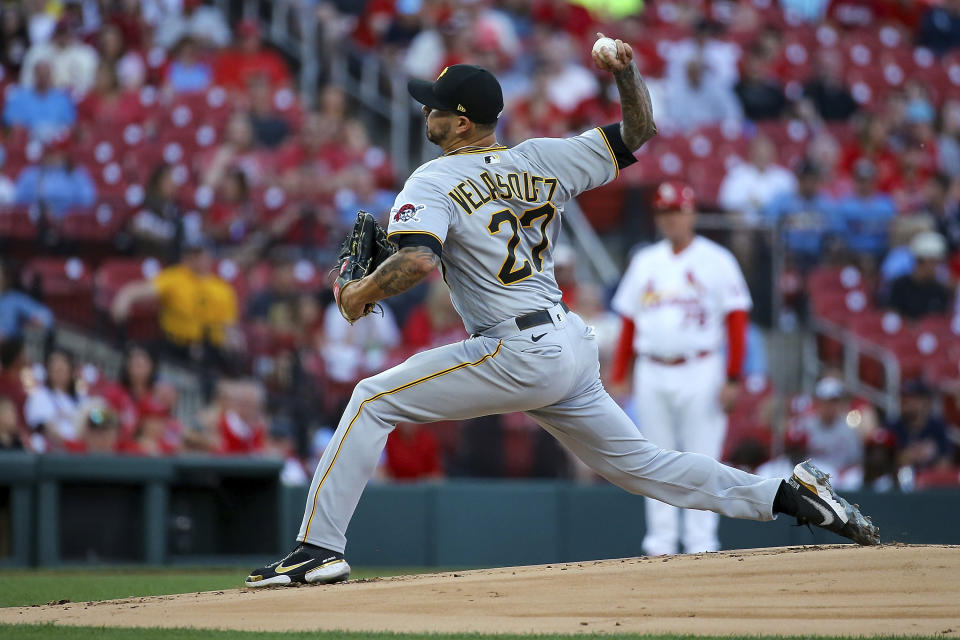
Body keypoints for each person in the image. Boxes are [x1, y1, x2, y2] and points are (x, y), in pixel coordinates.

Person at [246, 38, 878, 589]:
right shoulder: (541, 159)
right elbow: (638, 134)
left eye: (436, 106)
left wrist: (358, 296)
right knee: (645, 467)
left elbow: (417, 264)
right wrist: (626, 74)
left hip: (518, 347)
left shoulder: (431, 181)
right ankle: (789, 497)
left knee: (371, 399)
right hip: (569, 343)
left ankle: (318, 550)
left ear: (463, 124)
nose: (426, 112)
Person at [609, 181, 752, 556]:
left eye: (677, 211)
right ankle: (660, 545)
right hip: (652, 371)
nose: (671, 219)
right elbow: (629, 322)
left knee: (703, 460)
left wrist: (734, 376)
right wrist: (621, 372)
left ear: (692, 213)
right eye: (664, 212)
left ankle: (702, 544)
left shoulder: (717, 260)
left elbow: (737, 320)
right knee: (653, 461)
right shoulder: (645, 261)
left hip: (702, 369)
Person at [110, 239, 238, 367]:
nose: (198, 259)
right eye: (194, 255)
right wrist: (124, 298)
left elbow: (229, 325)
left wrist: (232, 342)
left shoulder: (222, 289)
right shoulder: (175, 277)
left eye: (201, 255)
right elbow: (141, 290)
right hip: (175, 344)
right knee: (140, 353)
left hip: (209, 349)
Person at [794, 377, 863, 478]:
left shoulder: (848, 429)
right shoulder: (806, 426)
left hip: (840, 478)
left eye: (833, 401)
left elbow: (856, 461)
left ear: (839, 403)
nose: (828, 406)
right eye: (825, 401)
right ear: (818, 402)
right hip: (811, 476)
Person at [718, 135, 797, 225]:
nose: (762, 156)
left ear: (773, 153)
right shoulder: (737, 175)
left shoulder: (784, 177)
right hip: (747, 228)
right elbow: (729, 206)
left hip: (778, 227)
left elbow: (794, 206)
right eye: (759, 152)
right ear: (751, 152)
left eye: (766, 152)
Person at [24, 347, 85, 452]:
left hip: (82, 452)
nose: (58, 370)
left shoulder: (82, 398)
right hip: (54, 454)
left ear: (71, 370)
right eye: (54, 367)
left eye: (62, 367)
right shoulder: (39, 396)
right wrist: (71, 445)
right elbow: (47, 429)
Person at [886, 231, 953, 319]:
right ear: (919, 261)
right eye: (933, 262)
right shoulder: (899, 286)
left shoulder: (940, 290)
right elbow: (891, 316)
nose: (936, 267)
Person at [2, 60, 75, 141]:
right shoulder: (19, 97)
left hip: (56, 143)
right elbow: (9, 122)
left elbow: (70, 125)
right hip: (28, 141)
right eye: (40, 75)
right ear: (34, 75)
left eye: (46, 75)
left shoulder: (62, 99)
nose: (43, 78)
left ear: (51, 76)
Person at [889, 379, 953, 471]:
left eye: (912, 398)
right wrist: (911, 455)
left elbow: (946, 462)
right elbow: (886, 462)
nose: (906, 402)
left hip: (931, 481)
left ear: (925, 402)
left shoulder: (938, 426)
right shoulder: (893, 427)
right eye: (904, 398)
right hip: (900, 480)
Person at [0, 261, 54, 341]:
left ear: (5, 278)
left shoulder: (13, 299)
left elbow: (45, 316)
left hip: (8, 346)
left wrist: (35, 321)